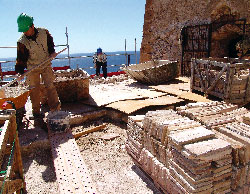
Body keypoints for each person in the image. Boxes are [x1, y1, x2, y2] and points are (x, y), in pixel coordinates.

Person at [15, 13, 61, 128]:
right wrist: (19, 72)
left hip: (45, 64)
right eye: (23, 30)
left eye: (26, 30)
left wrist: (52, 52)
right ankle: (36, 113)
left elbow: (50, 44)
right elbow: (21, 59)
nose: (25, 32)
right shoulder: (22, 42)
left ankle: (55, 110)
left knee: (50, 86)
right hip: (32, 68)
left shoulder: (44, 32)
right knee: (34, 90)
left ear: (32, 26)